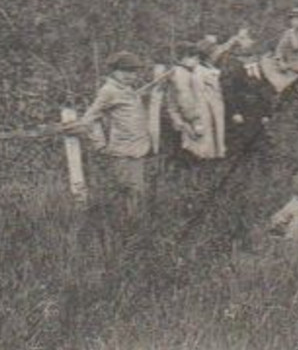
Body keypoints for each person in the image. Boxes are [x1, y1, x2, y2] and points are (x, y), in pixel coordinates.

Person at [68, 51, 154, 233]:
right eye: (126, 72)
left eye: (134, 72)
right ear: (114, 71)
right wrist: (99, 144)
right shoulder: (108, 91)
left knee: (137, 191)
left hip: (137, 149)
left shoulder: (128, 89)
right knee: (124, 190)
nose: (131, 76)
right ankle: (121, 229)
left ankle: (135, 227)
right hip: (121, 151)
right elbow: (89, 119)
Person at [216, 27, 272, 155]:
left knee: (260, 139)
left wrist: (266, 112)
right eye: (239, 38)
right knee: (242, 141)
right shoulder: (230, 60)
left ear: (252, 40)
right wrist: (234, 111)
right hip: (241, 106)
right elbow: (228, 88)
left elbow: (264, 87)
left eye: (243, 38)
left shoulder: (260, 59)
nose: (239, 41)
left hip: (258, 106)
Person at [167, 44, 218, 161]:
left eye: (197, 58)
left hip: (192, 116)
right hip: (191, 119)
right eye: (193, 57)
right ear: (183, 58)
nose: (196, 61)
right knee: (194, 152)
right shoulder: (180, 74)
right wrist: (194, 120)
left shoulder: (191, 72)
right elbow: (184, 100)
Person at [260, 8, 298, 94]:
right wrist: (280, 60)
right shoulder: (288, 33)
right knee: (266, 60)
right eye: (293, 19)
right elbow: (280, 48)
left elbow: (296, 46)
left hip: (297, 67)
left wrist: (292, 33)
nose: (295, 22)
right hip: (285, 64)